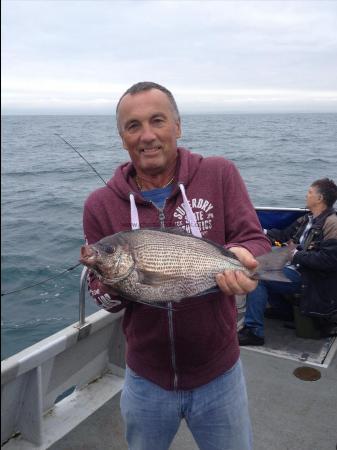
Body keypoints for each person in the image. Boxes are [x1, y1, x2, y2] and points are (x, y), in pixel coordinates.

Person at [83, 81, 271, 450]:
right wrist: (106, 278)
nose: (147, 135)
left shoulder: (219, 173)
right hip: (144, 378)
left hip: (220, 374)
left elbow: (256, 241)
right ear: (122, 137)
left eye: (158, 120)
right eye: (133, 125)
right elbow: (103, 298)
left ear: (178, 126)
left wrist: (248, 259)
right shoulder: (100, 205)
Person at [239, 178, 337, 346]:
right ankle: (283, 311)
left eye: (310, 192)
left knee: (258, 277)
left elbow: (329, 260)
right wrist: (258, 232)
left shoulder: (332, 223)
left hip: (311, 278)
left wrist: (295, 255)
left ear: (320, 198)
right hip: (296, 268)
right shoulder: (306, 219)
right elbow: (283, 236)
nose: (306, 196)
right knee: (259, 264)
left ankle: (254, 331)